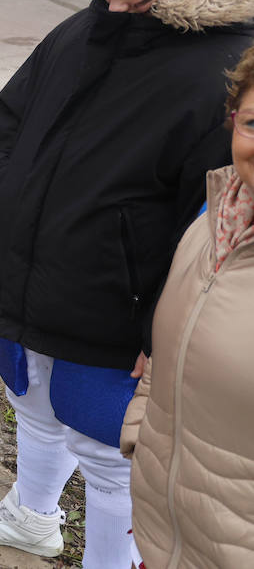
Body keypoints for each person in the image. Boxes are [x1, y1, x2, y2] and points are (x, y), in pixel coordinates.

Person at [0, 0, 254, 568]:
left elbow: (215, 216)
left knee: (111, 455)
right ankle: (31, 516)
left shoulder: (227, 69)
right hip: (36, 275)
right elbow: (15, 114)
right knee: (33, 401)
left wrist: (159, 331)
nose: (115, 10)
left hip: (125, 304)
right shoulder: (91, 22)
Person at [122, 40, 254, 569]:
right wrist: (141, 435)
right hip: (164, 539)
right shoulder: (216, 220)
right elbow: (169, 353)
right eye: (253, 124)